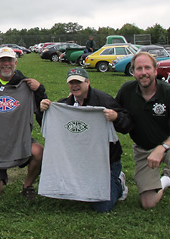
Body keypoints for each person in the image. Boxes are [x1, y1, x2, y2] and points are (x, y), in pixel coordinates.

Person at [115, 52, 170, 227]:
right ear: (133, 72)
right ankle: (168, 179)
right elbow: (114, 112)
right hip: (144, 150)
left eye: (148, 68)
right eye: (139, 68)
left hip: (169, 146)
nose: (144, 72)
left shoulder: (168, 92)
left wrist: (162, 147)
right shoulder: (126, 91)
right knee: (147, 203)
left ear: (156, 70)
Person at [39, 68, 132, 212]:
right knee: (70, 193)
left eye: (79, 82)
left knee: (103, 207)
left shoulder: (104, 101)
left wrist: (116, 117)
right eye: (72, 83)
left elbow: (127, 125)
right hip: (79, 162)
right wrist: (44, 111)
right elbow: (50, 129)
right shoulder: (64, 106)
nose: (75, 86)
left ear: (87, 82)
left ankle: (118, 181)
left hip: (106, 162)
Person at [0, 47, 47, 200]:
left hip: (19, 141)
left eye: (9, 60)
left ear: (15, 63)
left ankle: (27, 185)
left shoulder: (27, 87)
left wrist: (40, 90)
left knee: (38, 152)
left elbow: (43, 113)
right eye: (2, 60)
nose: (6, 64)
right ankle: (0, 174)